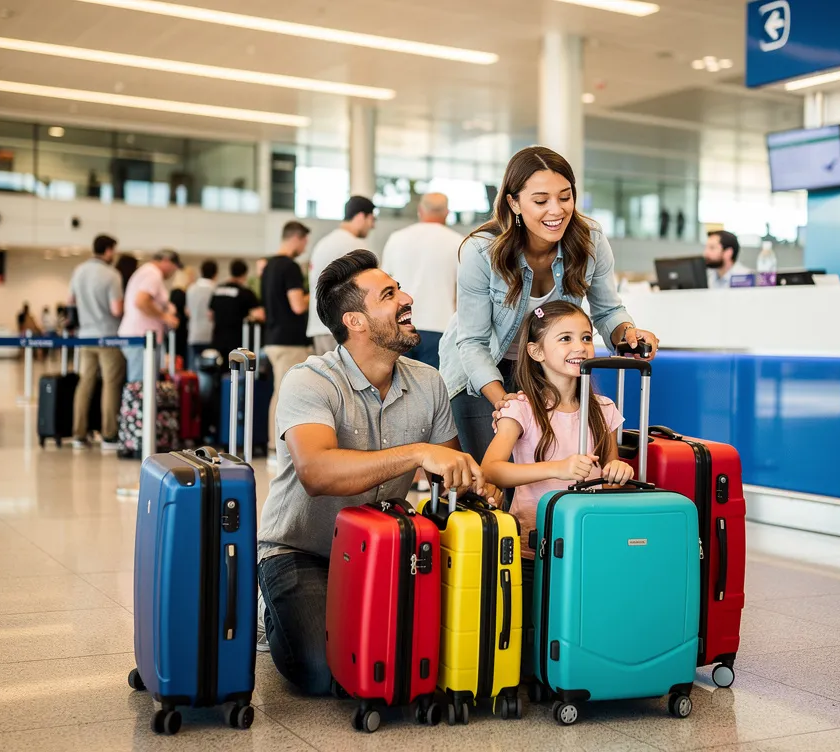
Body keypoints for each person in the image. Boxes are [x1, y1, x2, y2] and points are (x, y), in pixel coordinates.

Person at [257, 249, 494, 695]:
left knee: (422, 650)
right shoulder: (309, 380)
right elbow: (317, 472)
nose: (406, 298)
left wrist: (481, 483)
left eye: (399, 287)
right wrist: (417, 453)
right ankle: (269, 609)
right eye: (389, 294)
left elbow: (451, 472)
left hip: (385, 547)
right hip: (303, 550)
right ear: (356, 322)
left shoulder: (428, 382)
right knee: (322, 670)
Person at [438, 145, 658, 463]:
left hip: (545, 370)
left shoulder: (590, 240)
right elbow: (472, 342)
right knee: (494, 481)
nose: (556, 210)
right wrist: (504, 402)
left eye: (565, 197)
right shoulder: (481, 250)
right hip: (483, 371)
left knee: (551, 470)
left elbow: (608, 310)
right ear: (513, 202)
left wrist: (629, 334)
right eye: (541, 201)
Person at [481, 301, 633, 669]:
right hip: (534, 550)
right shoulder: (520, 409)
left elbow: (612, 463)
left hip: (591, 545)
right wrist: (558, 468)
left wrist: (618, 470)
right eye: (564, 339)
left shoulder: (604, 408)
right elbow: (492, 468)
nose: (579, 347)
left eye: (585, 337)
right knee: (531, 639)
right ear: (535, 351)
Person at [381, 193, 462, 370]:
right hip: (441, 326)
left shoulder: (397, 238)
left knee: (399, 389)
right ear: (447, 213)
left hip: (400, 324)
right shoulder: (458, 242)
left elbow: (382, 284)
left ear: (420, 211)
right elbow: (462, 291)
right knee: (435, 390)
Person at [260, 221, 313, 463]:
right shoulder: (290, 267)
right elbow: (298, 304)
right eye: (304, 241)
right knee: (287, 395)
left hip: (272, 338)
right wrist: (317, 291)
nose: (305, 246)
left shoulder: (269, 266)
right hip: (289, 341)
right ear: (297, 238)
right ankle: (277, 448)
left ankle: (274, 447)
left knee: (278, 393)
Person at [68, 234, 126, 450]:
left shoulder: (79, 270)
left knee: (86, 381)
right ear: (109, 250)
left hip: (85, 335)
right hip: (108, 335)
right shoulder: (111, 274)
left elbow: (70, 301)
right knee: (111, 383)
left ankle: (78, 433)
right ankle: (109, 435)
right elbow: (116, 309)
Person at [305, 195, 376, 354]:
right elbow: (370, 285)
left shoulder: (324, 243)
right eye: (372, 219)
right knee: (349, 379)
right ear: (360, 216)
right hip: (342, 328)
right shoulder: (354, 244)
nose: (373, 226)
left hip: (319, 327)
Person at [118, 249, 182, 383]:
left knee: (144, 382)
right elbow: (141, 301)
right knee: (140, 384)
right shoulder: (153, 274)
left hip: (141, 337)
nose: (173, 271)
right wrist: (165, 316)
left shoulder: (147, 272)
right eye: (174, 267)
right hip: (141, 338)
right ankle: (141, 405)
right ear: (166, 261)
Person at [210, 260, 264, 361]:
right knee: (234, 372)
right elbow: (260, 315)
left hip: (217, 338)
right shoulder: (245, 292)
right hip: (236, 340)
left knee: (219, 370)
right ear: (244, 274)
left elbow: (210, 314)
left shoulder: (218, 289)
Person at [186, 260, 219, 368]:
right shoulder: (215, 290)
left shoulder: (191, 289)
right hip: (209, 334)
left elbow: (188, 311)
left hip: (193, 333)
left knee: (193, 369)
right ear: (215, 273)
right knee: (209, 369)